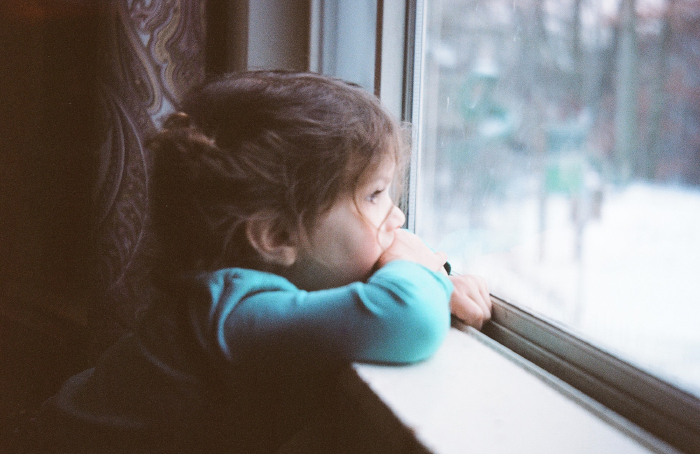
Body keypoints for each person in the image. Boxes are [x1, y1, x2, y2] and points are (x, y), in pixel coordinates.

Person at [34, 71, 491, 453]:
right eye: (374, 195)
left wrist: (439, 283)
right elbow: (404, 318)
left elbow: (381, 298)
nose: (399, 216)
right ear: (275, 236)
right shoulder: (230, 311)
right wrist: (417, 271)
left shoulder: (257, 296)